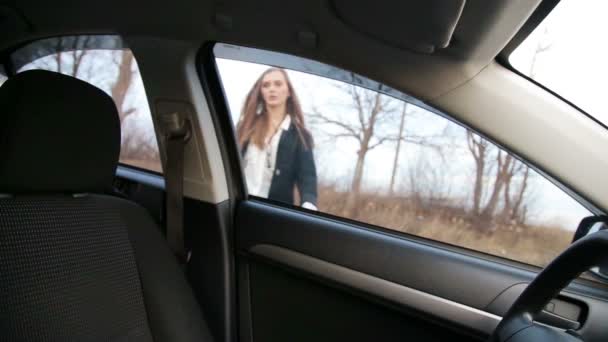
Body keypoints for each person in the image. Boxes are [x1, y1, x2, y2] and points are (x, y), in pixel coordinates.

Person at [236, 67, 317, 209]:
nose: (272, 89)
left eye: (278, 84)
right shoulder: (246, 127)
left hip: (274, 212)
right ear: (261, 92)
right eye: (266, 85)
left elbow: (308, 179)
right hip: (239, 205)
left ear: (289, 92)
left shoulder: (301, 136)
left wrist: (309, 204)